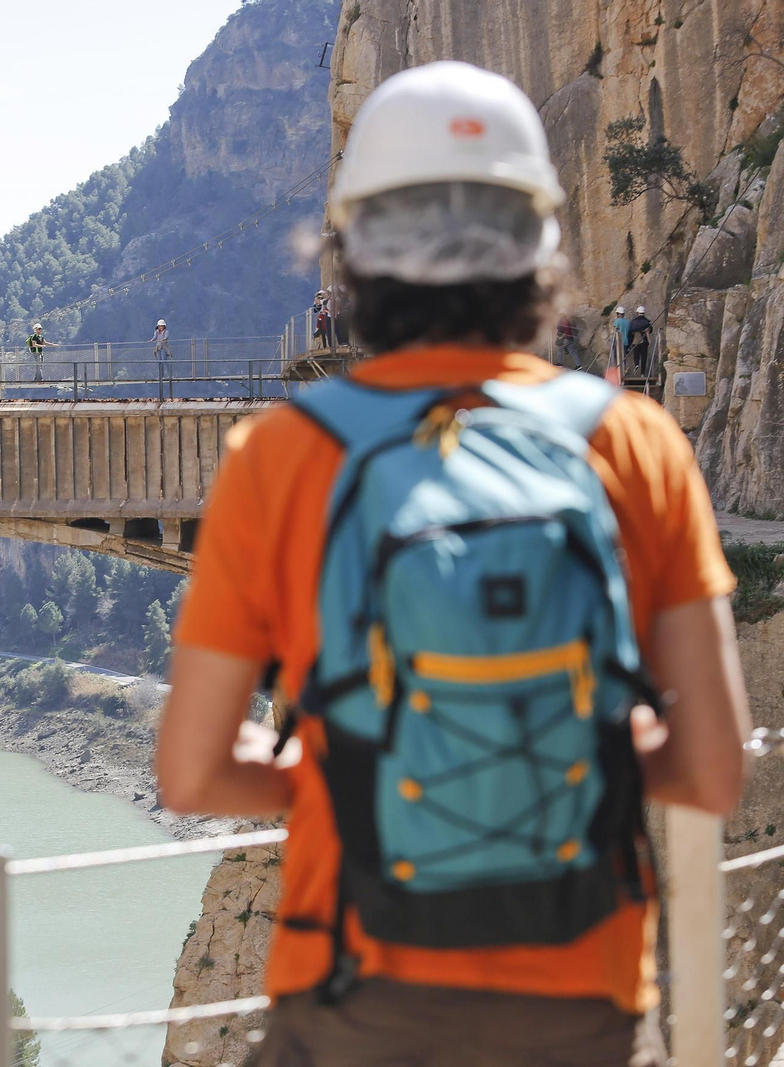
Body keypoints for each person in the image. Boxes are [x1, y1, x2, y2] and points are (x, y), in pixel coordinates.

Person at [157, 61, 750, 1067]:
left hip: (354, 990)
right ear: (539, 247)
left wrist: (372, 766)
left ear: (355, 256)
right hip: (582, 992)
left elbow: (193, 766)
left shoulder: (285, 454)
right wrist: (561, 747)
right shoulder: (633, 442)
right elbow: (711, 763)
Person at [629, 305, 654, 376]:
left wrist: (630, 342)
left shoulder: (633, 322)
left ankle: (636, 364)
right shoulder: (647, 322)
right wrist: (649, 341)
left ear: (637, 313)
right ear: (644, 313)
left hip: (635, 341)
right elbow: (648, 332)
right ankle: (642, 373)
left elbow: (631, 332)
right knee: (644, 357)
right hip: (644, 341)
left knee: (636, 355)